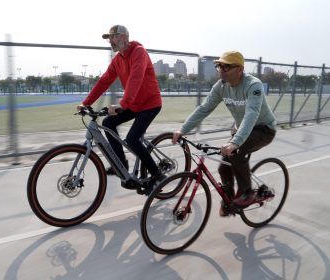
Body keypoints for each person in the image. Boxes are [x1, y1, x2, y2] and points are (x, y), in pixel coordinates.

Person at [172, 51, 277, 216]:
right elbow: (204, 108)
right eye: (219, 66)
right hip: (242, 129)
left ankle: (247, 193)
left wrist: (236, 142)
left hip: (263, 129)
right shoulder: (221, 86)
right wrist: (182, 129)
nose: (221, 69)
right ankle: (229, 201)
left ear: (240, 69)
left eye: (226, 66)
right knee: (223, 167)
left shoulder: (253, 85)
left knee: (235, 153)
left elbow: (252, 113)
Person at [77, 25, 164, 193]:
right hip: (134, 104)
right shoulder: (118, 60)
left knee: (132, 139)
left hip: (150, 104)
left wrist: (123, 104)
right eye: (109, 38)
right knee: (108, 122)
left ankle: (158, 176)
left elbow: (136, 79)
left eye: (113, 37)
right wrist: (86, 102)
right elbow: (104, 81)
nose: (111, 41)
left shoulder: (139, 52)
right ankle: (121, 163)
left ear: (125, 37)